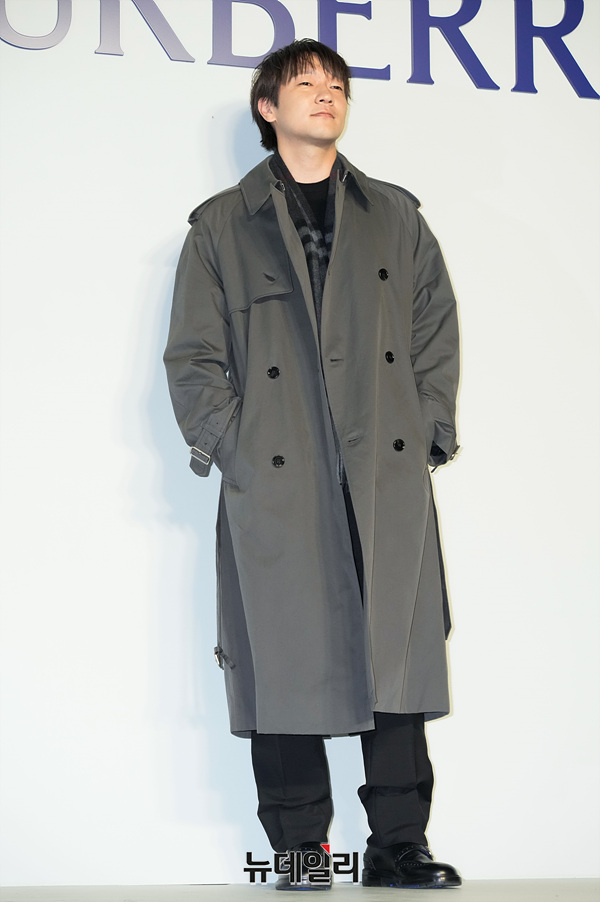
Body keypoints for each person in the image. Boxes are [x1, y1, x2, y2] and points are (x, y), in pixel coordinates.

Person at [164, 38, 461, 891]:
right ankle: (300, 851)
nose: (326, 92)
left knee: (394, 661)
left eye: (336, 83)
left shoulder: (395, 215)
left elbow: (434, 332)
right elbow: (193, 357)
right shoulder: (223, 226)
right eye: (305, 82)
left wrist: (425, 432)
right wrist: (238, 449)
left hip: (382, 473)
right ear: (268, 107)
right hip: (280, 475)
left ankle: (398, 846)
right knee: (284, 659)